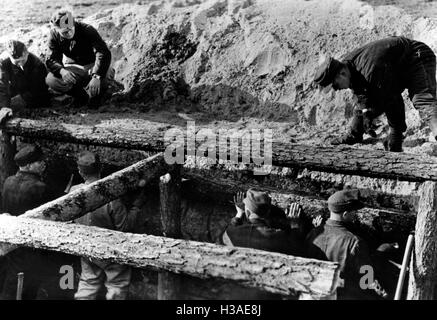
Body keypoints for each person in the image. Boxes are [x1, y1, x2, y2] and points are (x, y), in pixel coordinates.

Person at [313, 36, 437, 152]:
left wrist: (395, 135)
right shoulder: (349, 66)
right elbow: (361, 95)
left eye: (335, 85)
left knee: (423, 100)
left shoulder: (370, 71)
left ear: (342, 74)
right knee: (369, 101)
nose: (336, 89)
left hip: (417, 57)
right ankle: (355, 134)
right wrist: (366, 115)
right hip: (396, 66)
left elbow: (393, 99)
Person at [72, 151, 135, 300]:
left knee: (88, 283)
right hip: (110, 250)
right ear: (101, 168)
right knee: (117, 285)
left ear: (80, 171)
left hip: (86, 248)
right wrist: (136, 208)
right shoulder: (111, 196)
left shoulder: (72, 192)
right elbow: (125, 228)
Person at [305, 189, 387, 300]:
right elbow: (367, 280)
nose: (355, 215)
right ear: (345, 214)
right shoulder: (354, 242)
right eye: (354, 212)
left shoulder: (313, 233)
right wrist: (381, 252)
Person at [0, 145, 54, 299]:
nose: (43, 163)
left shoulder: (8, 182)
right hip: (31, 245)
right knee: (28, 285)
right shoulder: (40, 187)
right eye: (39, 161)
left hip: (11, 240)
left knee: (13, 277)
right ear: (29, 165)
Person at [45, 9, 112, 108]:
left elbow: (103, 52)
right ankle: (81, 96)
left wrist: (96, 76)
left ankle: (97, 97)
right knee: (51, 80)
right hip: (74, 68)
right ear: (57, 29)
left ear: (74, 23)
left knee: (106, 73)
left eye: (71, 29)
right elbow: (51, 59)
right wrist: (62, 71)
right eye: (64, 32)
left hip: (92, 66)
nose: (69, 33)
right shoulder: (54, 35)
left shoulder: (87, 29)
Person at [0, 40, 50, 124]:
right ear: (9, 56)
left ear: (27, 53)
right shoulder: (3, 62)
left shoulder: (37, 65)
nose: (20, 64)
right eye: (17, 61)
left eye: (22, 60)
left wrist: (11, 105)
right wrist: (4, 106)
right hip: (15, 87)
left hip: (32, 93)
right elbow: (2, 85)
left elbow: (37, 92)